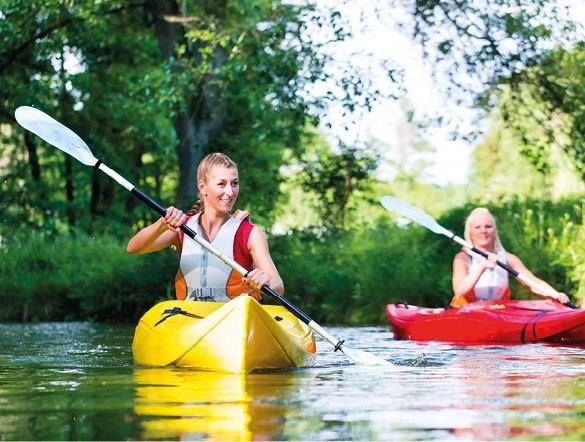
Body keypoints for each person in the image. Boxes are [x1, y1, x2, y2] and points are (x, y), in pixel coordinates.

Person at [127, 152, 283, 302]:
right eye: (221, 184)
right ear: (202, 187)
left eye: (234, 183)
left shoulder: (249, 233)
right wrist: (161, 224)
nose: (230, 192)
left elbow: (278, 285)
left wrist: (265, 284)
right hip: (189, 315)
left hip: (233, 316)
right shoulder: (182, 227)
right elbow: (134, 248)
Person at [450, 207, 569, 308]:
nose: (483, 231)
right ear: (470, 232)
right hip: (467, 310)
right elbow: (459, 291)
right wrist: (482, 267)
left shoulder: (508, 258)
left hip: (497, 310)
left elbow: (532, 282)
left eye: (488, 226)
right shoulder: (462, 258)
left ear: (495, 231)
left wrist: (555, 294)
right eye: (478, 227)